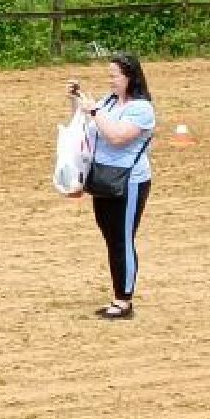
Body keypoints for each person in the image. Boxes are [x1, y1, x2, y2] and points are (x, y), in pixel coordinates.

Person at [69, 53, 157, 320]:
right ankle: (120, 292)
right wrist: (76, 100)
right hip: (105, 178)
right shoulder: (108, 102)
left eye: (115, 76)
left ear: (130, 77)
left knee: (122, 239)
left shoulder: (141, 109)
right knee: (111, 238)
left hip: (129, 182)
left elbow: (117, 136)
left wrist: (95, 111)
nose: (111, 81)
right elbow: (87, 126)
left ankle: (124, 300)